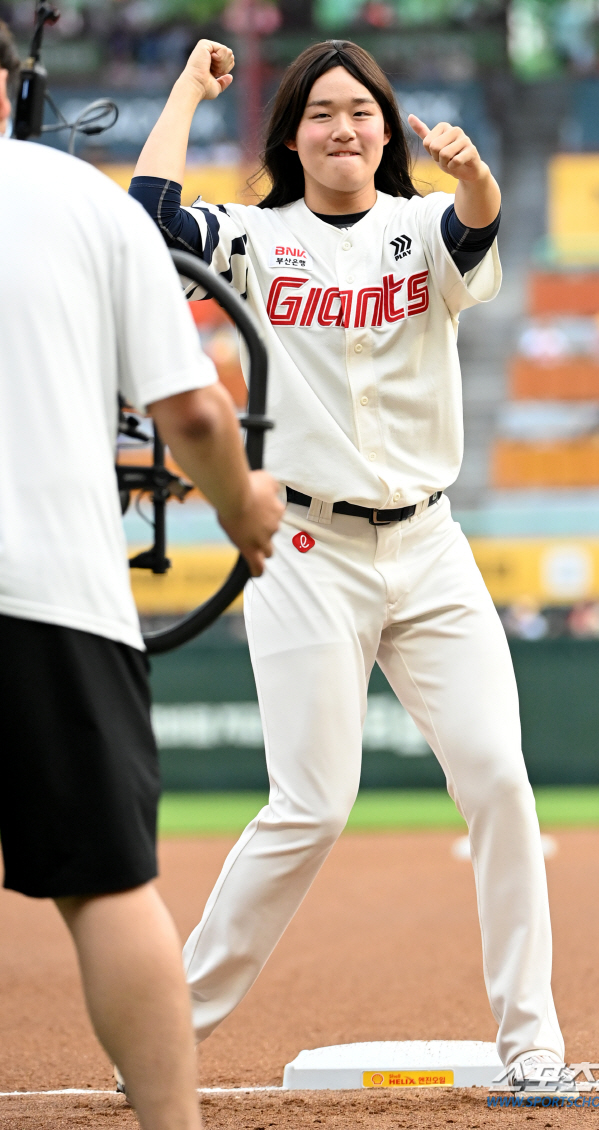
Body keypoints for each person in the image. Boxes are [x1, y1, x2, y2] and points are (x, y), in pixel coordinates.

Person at [129, 37, 569, 1083]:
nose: (343, 127)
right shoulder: (253, 236)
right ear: (293, 134)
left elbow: (476, 224)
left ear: (386, 128)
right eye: (322, 111)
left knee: (500, 781)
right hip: (305, 549)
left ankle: (532, 1040)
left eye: (361, 111)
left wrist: (472, 172)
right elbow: (149, 225)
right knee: (312, 803)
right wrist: (189, 91)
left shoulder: (422, 228)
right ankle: (168, 1029)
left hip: (429, 546)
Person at [0, 118, 283, 1129]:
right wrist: (243, 503)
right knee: (109, 888)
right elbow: (197, 416)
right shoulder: (81, 201)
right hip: (48, 587)